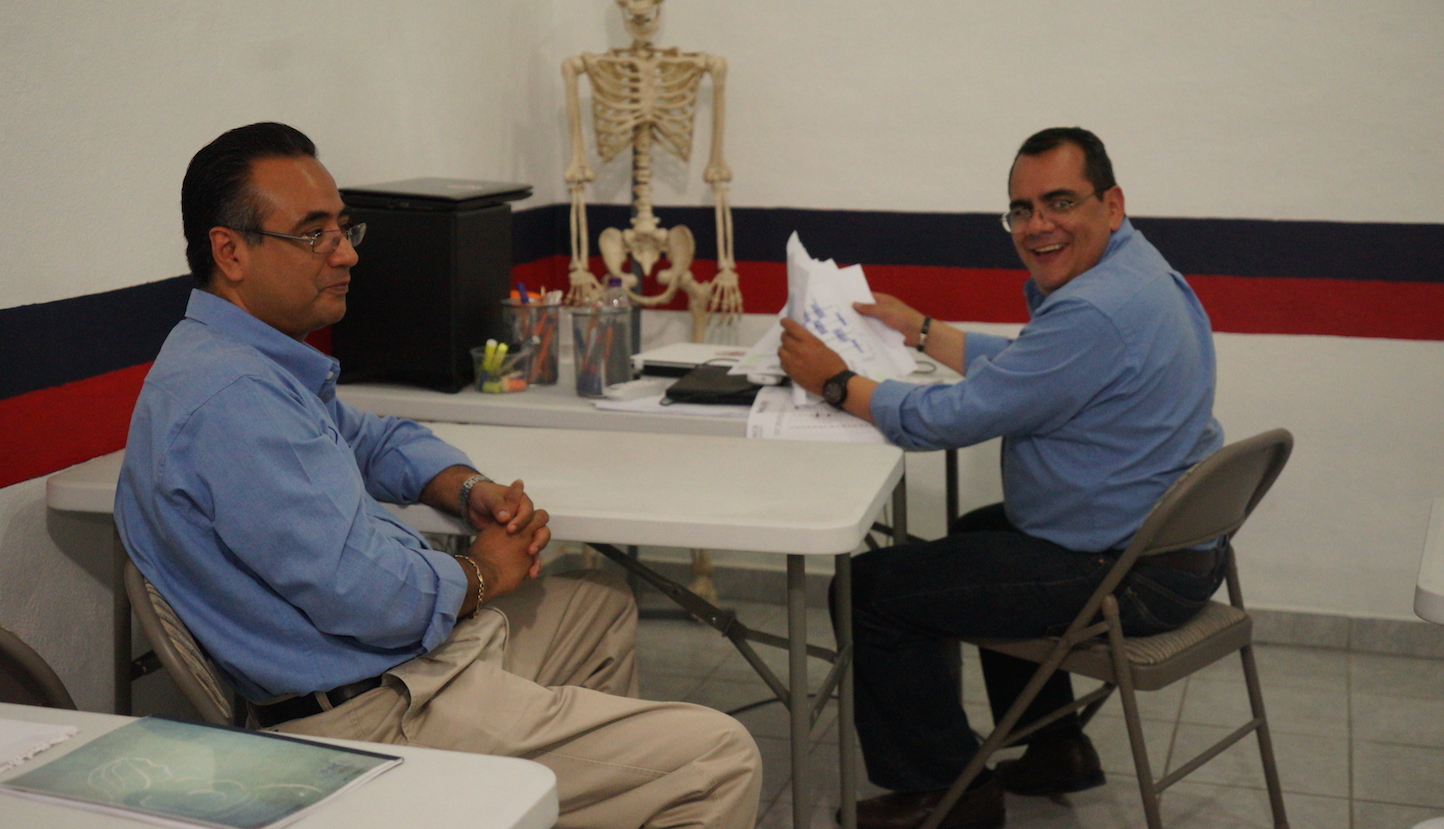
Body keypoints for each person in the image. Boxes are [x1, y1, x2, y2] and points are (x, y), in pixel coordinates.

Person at [116, 122, 760, 829]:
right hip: (369, 716)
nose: (346, 253)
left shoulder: (240, 359)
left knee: (596, 607)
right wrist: (482, 572)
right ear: (230, 251)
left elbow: (368, 438)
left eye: (344, 228)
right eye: (314, 234)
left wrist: (464, 488)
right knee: (718, 758)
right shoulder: (232, 401)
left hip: (390, 667)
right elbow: (368, 596)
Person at [778, 127, 1225, 829]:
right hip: (1175, 550)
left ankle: (944, 791)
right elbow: (1031, 366)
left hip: (1130, 573)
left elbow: (949, 418)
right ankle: (1057, 748)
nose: (1037, 225)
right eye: (1022, 209)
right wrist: (920, 328)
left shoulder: (1095, 309)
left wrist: (835, 382)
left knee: (869, 590)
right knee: (977, 536)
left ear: (1111, 204)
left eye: (1060, 202)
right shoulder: (1136, 269)